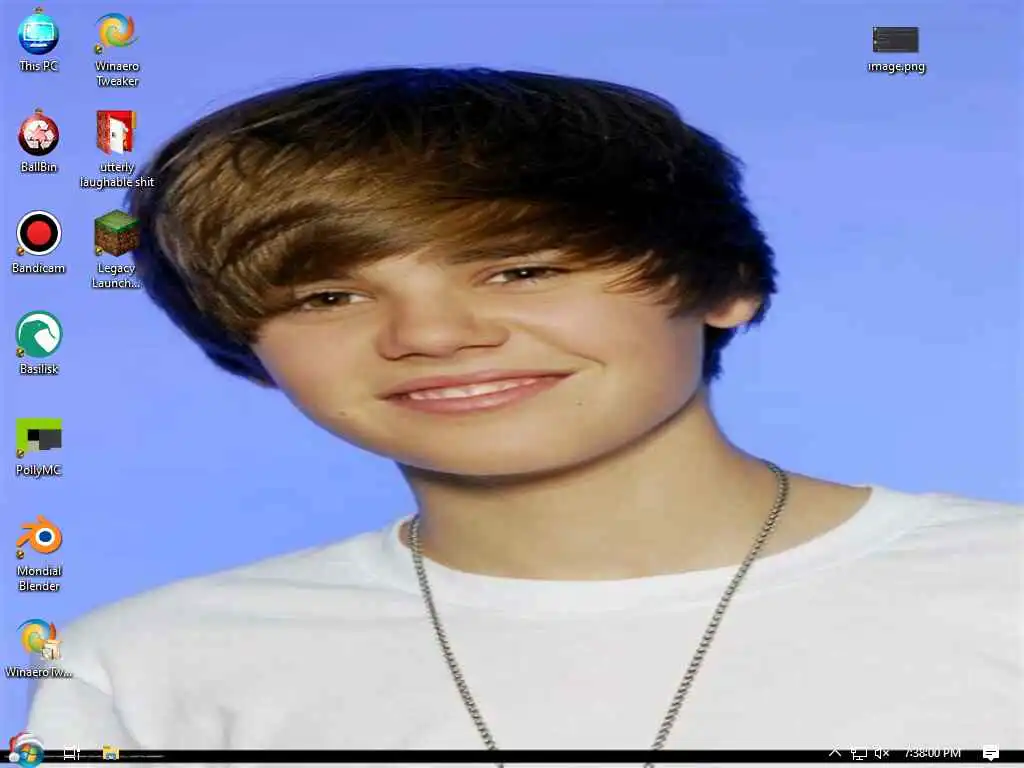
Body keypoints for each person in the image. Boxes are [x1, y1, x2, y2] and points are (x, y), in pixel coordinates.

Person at [26, 67, 1021, 757]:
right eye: (328, 296)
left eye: (522, 270)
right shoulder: (149, 665)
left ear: (724, 285)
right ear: (248, 349)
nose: (432, 334)